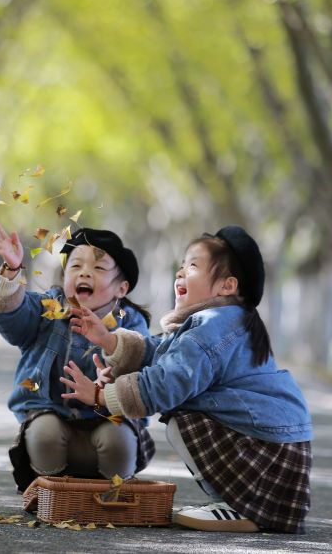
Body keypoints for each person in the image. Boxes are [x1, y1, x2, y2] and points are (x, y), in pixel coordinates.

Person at [62, 226, 312, 533]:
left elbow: (167, 384)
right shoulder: (221, 320)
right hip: (276, 446)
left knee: (181, 418)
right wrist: (108, 340)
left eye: (192, 265)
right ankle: (237, 503)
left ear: (227, 286)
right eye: (181, 265)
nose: (180, 272)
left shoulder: (212, 327)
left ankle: (240, 507)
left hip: (269, 451)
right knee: (183, 412)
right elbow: (160, 352)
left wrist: (101, 397)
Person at [0, 222, 155, 491]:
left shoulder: (131, 323)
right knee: (44, 433)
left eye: (98, 268)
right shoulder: (49, 309)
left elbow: (141, 364)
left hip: (108, 426)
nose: (85, 273)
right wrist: (12, 270)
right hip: (53, 428)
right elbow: (12, 316)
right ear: (64, 278)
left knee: (118, 438)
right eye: (76, 266)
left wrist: (110, 350)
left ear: (121, 289)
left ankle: (111, 495)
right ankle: (54, 493)